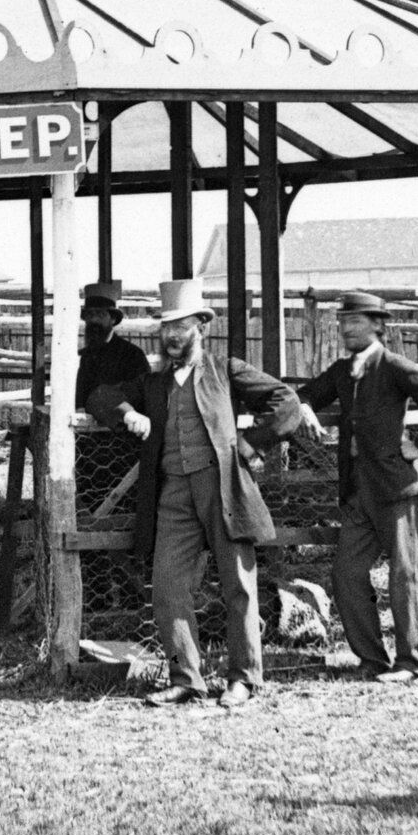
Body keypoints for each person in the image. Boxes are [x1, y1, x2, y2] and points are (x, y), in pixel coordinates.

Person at [88, 276, 306, 709]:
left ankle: (243, 678)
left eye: (180, 326)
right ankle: (187, 678)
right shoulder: (152, 384)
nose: (171, 335)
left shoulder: (226, 370)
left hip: (223, 489)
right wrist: (128, 413)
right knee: (167, 585)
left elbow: (287, 404)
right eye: (165, 327)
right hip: (172, 496)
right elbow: (99, 395)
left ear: (200, 327)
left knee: (238, 586)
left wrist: (251, 443)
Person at [297, 289, 418, 685]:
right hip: (358, 493)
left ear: (377, 325)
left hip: (397, 489)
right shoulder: (341, 371)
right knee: (346, 573)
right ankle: (371, 658)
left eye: (356, 321)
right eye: (342, 322)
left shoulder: (393, 366)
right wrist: (303, 408)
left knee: (405, 577)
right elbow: (304, 395)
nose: (346, 328)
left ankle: (410, 663)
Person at [75, 279, 153, 410]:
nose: (94, 320)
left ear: (113, 319)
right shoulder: (83, 357)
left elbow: (141, 398)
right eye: (90, 314)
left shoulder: (132, 355)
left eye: (100, 314)